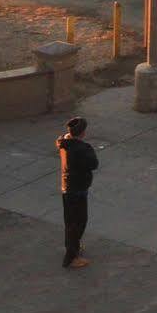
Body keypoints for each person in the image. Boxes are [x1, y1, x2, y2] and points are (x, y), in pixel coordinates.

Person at [57, 114, 98, 269]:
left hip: (67, 187)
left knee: (70, 221)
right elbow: (94, 164)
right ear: (82, 132)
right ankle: (71, 257)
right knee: (79, 222)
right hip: (78, 189)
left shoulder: (64, 143)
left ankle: (72, 245)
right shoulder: (81, 148)